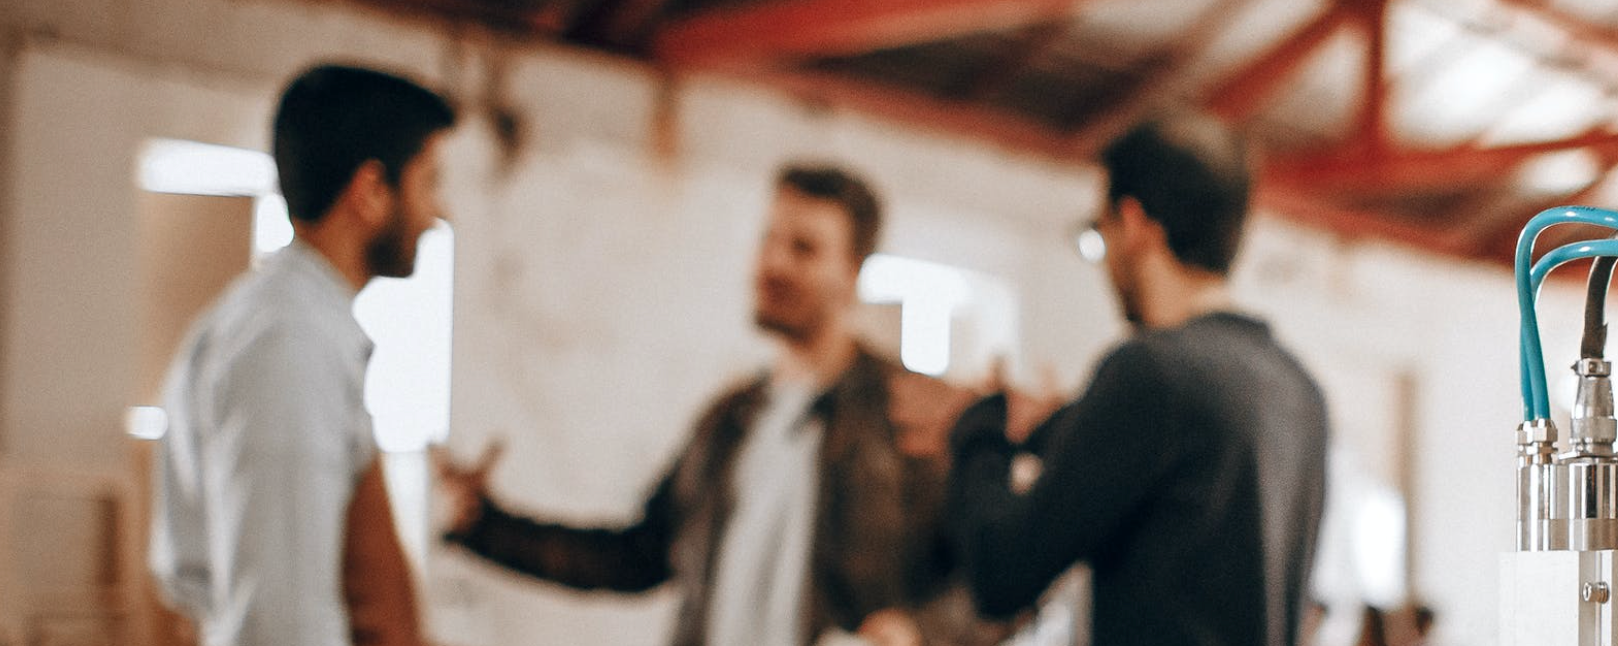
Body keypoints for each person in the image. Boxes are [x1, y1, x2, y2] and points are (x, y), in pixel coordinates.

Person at [434, 164, 991, 646]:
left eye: (804, 248)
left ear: (853, 271)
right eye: (769, 239)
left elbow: (995, 579)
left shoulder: (911, 413)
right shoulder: (729, 420)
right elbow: (640, 555)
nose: (773, 263)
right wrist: (485, 526)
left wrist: (920, 631)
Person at [945, 114, 1330, 646]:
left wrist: (981, 428)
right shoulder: (1299, 390)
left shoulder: (1152, 371)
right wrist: (1059, 427)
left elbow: (1001, 574)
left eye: (1100, 231)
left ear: (1133, 224)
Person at [147, 64, 455, 646]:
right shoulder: (288, 341)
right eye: (429, 182)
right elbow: (283, 622)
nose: (440, 213)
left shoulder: (290, 324)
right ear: (370, 192)